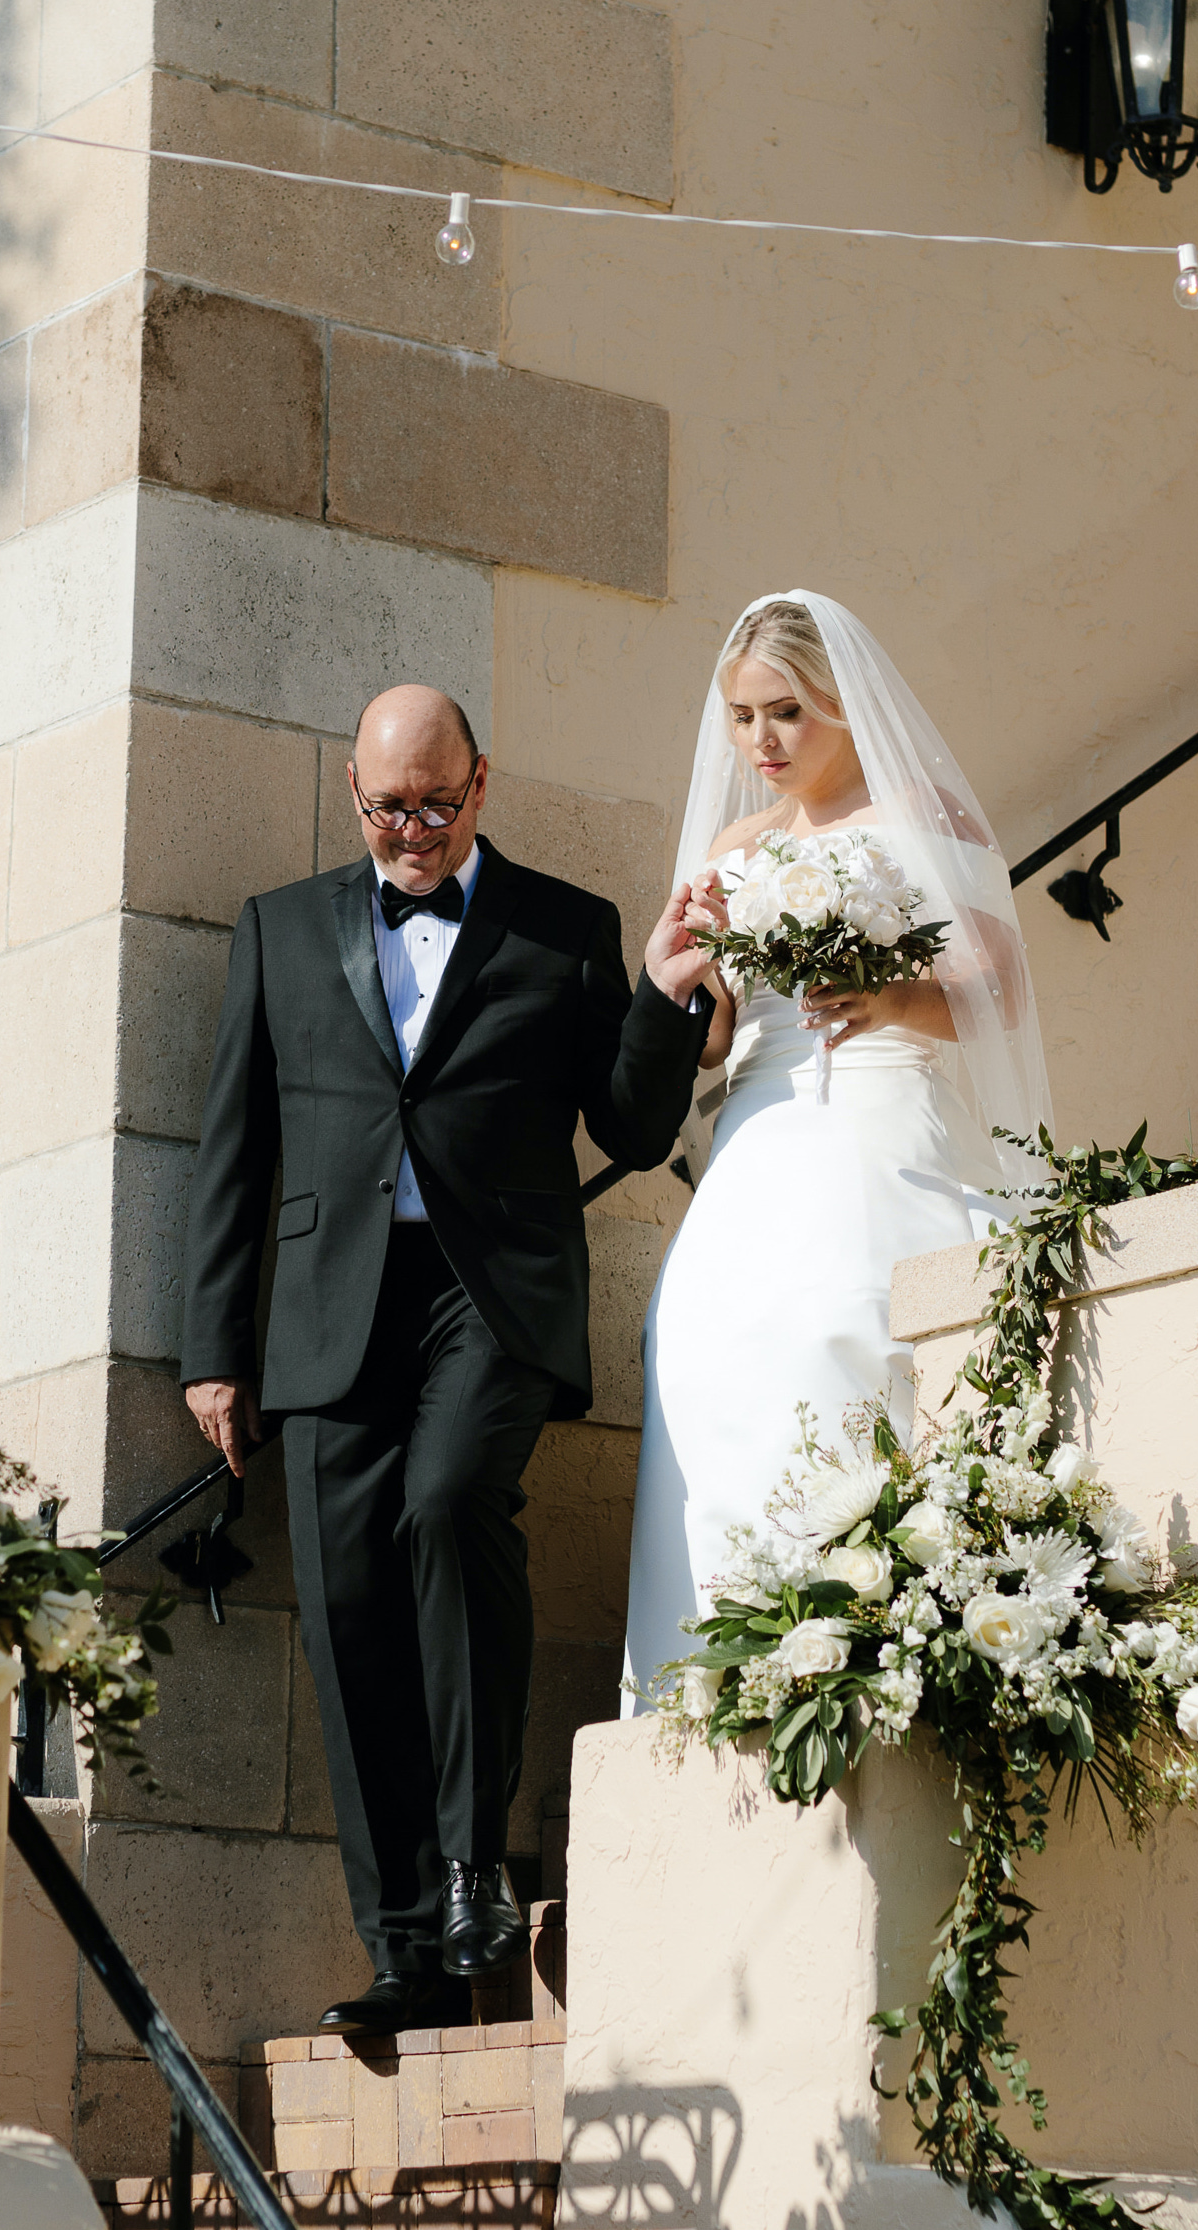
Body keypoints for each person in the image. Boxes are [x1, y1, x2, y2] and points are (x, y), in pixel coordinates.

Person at [181, 685, 716, 2035]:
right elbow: (232, 1151)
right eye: (382, 807)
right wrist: (212, 1350)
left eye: (432, 802)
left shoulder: (562, 927)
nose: (408, 831)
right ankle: (405, 1948)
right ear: (353, 792)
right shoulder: (280, 928)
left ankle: (476, 1858)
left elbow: (635, 1128)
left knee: (445, 1500)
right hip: (324, 1312)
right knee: (351, 1605)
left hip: (491, 1295)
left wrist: (658, 990)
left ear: (481, 782)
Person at [622, 593, 1053, 1709]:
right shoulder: (733, 846)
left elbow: (998, 985)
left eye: (786, 713)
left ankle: (862, 1642)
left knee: (838, 1325)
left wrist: (896, 993)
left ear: (842, 707)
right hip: (757, 1129)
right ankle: (717, 1672)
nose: (759, 743)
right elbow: (720, 1035)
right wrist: (680, 983)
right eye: (740, 717)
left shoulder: (921, 817)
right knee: (705, 1349)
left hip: (872, 1114)